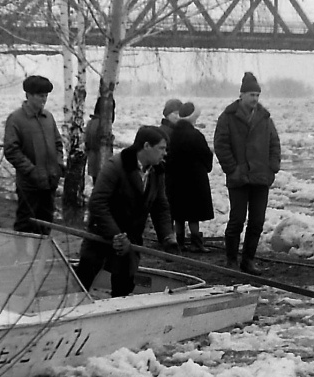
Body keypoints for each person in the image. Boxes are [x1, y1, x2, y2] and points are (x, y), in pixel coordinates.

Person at [74, 126, 179, 297]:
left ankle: (118, 319)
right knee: (83, 282)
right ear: (146, 146)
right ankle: (72, 317)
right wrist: (116, 234)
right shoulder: (116, 166)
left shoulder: (156, 171)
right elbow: (98, 203)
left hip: (131, 238)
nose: (164, 153)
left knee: (123, 285)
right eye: (161, 148)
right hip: (101, 235)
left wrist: (167, 237)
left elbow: (160, 206)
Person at [213, 71, 281, 275]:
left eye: (257, 95)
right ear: (241, 95)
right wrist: (233, 169)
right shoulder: (228, 117)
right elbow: (221, 144)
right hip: (239, 178)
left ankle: (248, 260)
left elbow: (274, 143)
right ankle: (231, 260)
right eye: (251, 95)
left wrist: (272, 168)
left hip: (260, 177)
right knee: (237, 220)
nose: (254, 99)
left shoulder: (265, 118)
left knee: (257, 221)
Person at [3, 75, 65, 235]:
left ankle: (41, 257)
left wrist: (58, 165)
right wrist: (31, 170)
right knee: (25, 223)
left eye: (46, 96)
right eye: (40, 96)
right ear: (28, 95)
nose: (43, 100)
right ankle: (21, 257)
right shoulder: (16, 119)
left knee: (45, 224)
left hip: (50, 182)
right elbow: (11, 150)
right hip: (29, 184)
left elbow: (58, 143)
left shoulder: (48, 118)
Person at [166, 102, 214, 253]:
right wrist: (206, 167)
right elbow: (206, 156)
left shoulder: (172, 134)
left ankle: (179, 242)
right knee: (194, 214)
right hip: (195, 180)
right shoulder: (196, 135)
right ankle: (196, 243)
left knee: (178, 213)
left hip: (175, 180)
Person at [84, 97, 104, 185]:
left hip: (92, 161)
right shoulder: (103, 124)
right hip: (100, 161)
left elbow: (86, 142)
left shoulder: (90, 123)